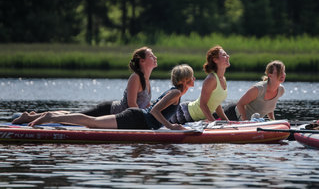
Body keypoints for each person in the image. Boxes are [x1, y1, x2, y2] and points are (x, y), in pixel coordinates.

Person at [12, 47, 157, 124]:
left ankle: (33, 116)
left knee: (71, 115)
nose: (155, 57)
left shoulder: (147, 80)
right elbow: (132, 104)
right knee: (73, 120)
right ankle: (30, 118)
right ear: (142, 61)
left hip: (119, 115)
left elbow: (144, 103)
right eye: (151, 55)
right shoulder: (136, 77)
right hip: (108, 111)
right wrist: (143, 121)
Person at [27, 64, 195, 130]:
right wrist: (171, 126)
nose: (194, 79)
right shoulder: (175, 93)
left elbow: (155, 109)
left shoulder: (174, 93)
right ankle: (50, 117)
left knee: (91, 122)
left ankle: (53, 116)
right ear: (186, 79)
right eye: (192, 77)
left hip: (137, 118)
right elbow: (155, 111)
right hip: (136, 119)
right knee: (92, 123)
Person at [170, 45, 230, 124]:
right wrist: (213, 123)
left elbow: (216, 104)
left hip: (195, 117)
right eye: (224, 55)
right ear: (215, 60)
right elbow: (203, 105)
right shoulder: (211, 79)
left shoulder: (223, 79)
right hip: (185, 113)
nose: (228, 56)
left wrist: (227, 121)